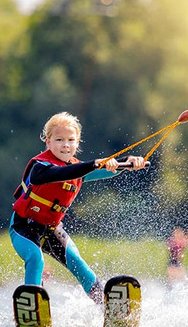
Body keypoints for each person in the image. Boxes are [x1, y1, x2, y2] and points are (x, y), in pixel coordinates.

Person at [9, 112, 146, 304]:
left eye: (71, 140)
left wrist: (128, 162)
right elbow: (61, 173)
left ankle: (105, 306)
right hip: (23, 226)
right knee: (35, 258)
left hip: (51, 229)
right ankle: (32, 303)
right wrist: (94, 164)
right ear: (48, 142)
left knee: (78, 264)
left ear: (77, 143)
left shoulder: (80, 169)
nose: (65, 144)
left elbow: (105, 172)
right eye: (59, 139)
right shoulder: (39, 167)